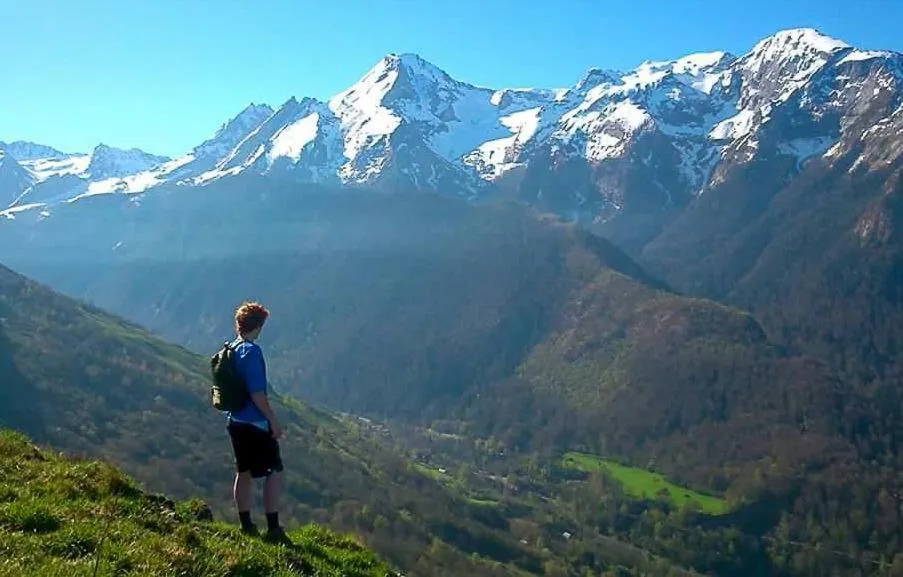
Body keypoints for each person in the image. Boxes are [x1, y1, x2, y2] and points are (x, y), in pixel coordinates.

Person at [225, 300, 289, 543]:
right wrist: (272, 420)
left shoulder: (231, 349)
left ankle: (246, 524)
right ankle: (273, 528)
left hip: (235, 420)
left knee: (244, 471)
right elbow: (258, 394)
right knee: (274, 471)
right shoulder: (252, 352)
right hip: (255, 422)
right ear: (258, 326)